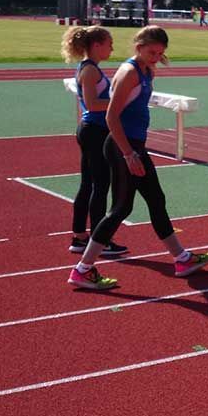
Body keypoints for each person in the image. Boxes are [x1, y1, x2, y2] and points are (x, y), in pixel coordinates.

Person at [67, 26, 208, 290]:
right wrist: (128, 153)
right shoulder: (129, 72)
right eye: (151, 52)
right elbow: (111, 116)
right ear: (139, 47)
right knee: (121, 208)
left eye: (160, 53)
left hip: (135, 145)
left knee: (156, 199)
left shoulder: (147, 70)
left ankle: (182, 258)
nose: (156, 56)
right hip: (123, 146)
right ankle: (83, 269)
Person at [60, 25, 128, 257]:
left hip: (92, 130)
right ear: (97, 45)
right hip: (94, 130)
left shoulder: (91, 68)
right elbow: (91, 104)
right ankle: (101, 239)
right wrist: (120, 102)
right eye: (109, 44)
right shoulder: (90, 71)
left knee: (89, 184)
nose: (112, 48)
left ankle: (80, 236)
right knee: (100, 185)